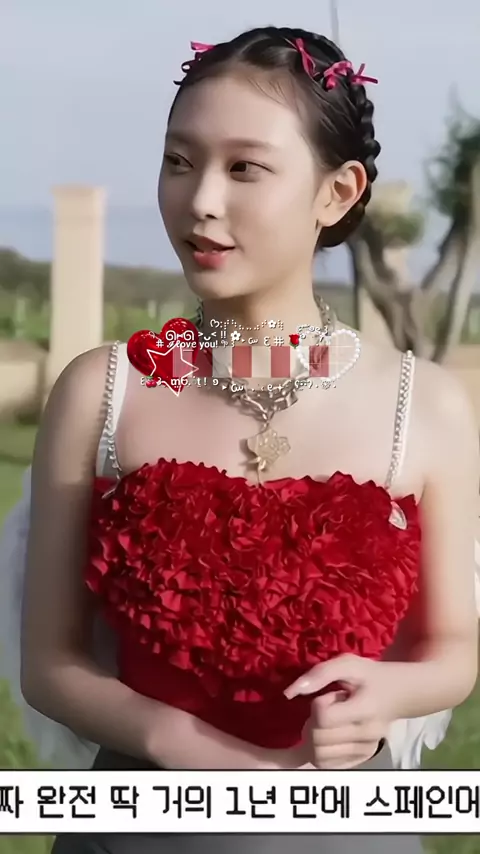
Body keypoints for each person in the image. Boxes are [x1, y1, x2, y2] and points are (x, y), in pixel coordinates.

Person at [16, 25, 479, 854]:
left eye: (244, 169)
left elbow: (453, 651)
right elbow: (50, 663)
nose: (200, 200)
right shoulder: (103, 392)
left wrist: (387, 694)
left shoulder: (424, 406)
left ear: (337, 192)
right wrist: (179, 743)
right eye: (179, 160)